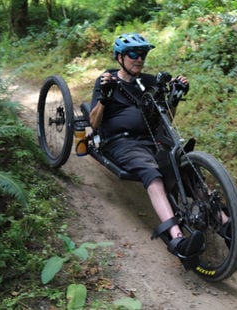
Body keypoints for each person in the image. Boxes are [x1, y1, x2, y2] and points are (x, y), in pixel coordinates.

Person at [90, 33, 206, 260]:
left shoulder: (150, 82)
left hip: (152, 139)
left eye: (143, 54)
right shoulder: (107, 81)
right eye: (134, 54)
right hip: (122, 141)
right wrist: (104, 98)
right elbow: (94, 122)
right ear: (120, 57)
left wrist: (174, 97)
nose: (140, 59)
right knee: (153, 175)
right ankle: (177, 238)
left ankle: (226, 221)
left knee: (186, 166)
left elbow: (167, 119)